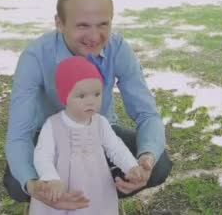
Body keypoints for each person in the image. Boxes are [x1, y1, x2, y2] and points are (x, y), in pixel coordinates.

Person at [3, 0, 172, 211]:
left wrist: (146, 159)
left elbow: (147, 114)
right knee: (16, 180)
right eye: (83, 25)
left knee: (159, 164)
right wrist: (33, 185)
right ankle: (54, 200)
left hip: (101, 131)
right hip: (49, 137)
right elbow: (19, 134)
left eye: (103, 24)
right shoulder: (36, 56)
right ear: (59, 23)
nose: (94, 36)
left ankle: (99, 199)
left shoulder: (118, 48)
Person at [30, 56, 145, 214]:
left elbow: (116, 148)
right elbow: (42, 155)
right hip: (63, 188)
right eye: (82, 96)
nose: (91, 101)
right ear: (65, 97)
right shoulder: (53, 124)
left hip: (97, 185)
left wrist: (130, 166)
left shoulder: (100, 123)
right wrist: (51, 178)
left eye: (97, 94)